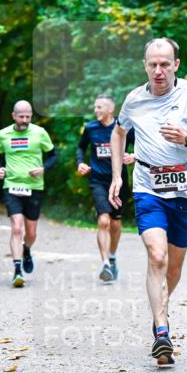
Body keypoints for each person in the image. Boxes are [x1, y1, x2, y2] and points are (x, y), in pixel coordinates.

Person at [108, 38, 187, 366]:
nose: (158, 70)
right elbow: (118, 133)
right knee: (156, 256)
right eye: (152, 64)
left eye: (165, 64)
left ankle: (158, 311)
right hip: (148, 185)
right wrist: (117, 175)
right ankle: (162, 332)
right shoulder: (134, 99)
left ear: (176, 64)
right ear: (145, 65)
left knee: (173, 267)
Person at [0, 100, 57, 288]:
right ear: (14, 116)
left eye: (28, 116)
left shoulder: (39, 133)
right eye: (21, 116)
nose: (25, 120)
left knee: (31, 233)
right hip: (11, 185)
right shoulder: (3, 134)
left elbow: (53, 155)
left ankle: (27, 250)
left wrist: (43, 168)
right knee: (17, 228)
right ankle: (17, 270)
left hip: (34, 187)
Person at [76, 94, 135, 282]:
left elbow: (140, 144)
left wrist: (133, 156)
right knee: (103, 221)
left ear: (110, 109)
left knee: (115, 222)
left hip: (119, 182)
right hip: (98, 181)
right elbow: (80, 148)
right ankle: (105, 265)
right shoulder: (90, 128)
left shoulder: (123, 127)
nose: (96, 111)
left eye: (99, 107)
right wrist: (80, 163)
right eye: (95, 107)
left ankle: (112, 256)